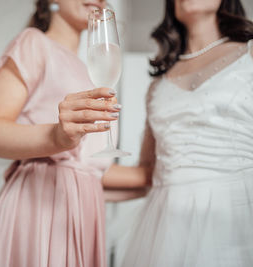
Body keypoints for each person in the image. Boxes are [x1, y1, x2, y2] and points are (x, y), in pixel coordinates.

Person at [100, 0, 253, 266]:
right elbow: (148, 173)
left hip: (238, 217)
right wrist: (71, 180)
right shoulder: (157, 86)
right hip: (167, 227)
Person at [0, 0, 118, 266]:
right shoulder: (33, 43)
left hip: (83, 211)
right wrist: (58, 137)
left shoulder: (90, 71)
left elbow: (89, 167)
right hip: (38, 210)